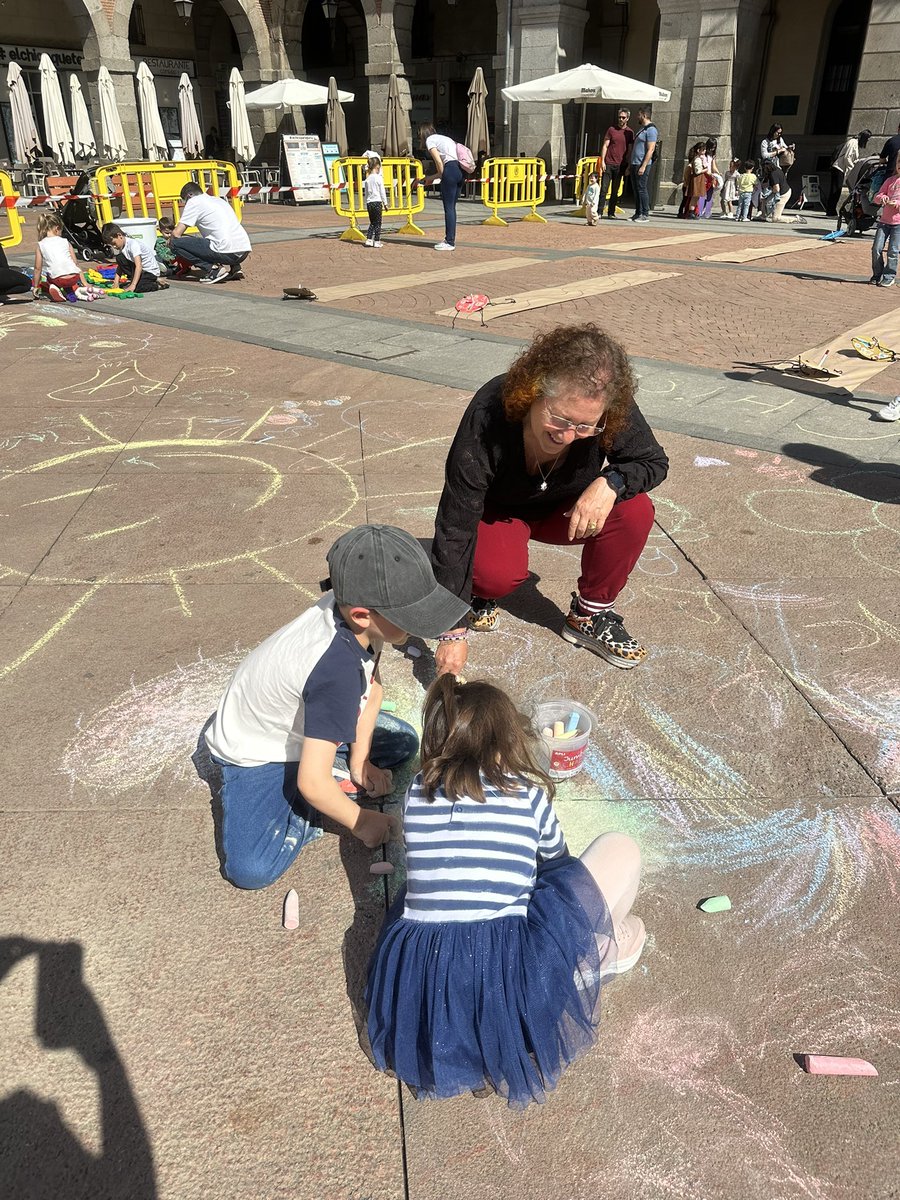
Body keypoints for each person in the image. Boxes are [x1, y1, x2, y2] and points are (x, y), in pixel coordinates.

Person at [365, 675, 644, 1107]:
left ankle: (569, 967)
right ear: (506, 741)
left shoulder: (416, 794)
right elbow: (562, 872)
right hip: (513, 992)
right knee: (619, 850)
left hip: (424, 988)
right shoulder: (529, 795)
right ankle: (594, 955)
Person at [204, 524, 470, 890]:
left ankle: (335, 768)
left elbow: (372, 692)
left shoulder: (353, 615)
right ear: (362, 614)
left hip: (300, 720)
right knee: (250, 869)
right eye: (411, 614)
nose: (420, 624)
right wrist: (361, 821)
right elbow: (313, 782)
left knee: (403, 742)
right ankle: (299, 803)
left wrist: (360, 763)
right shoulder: (336, 670)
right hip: (255, 751)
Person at [430, 324, 668, 674]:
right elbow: (456, 519)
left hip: (566, 509)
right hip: (499, 511)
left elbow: (653, 461)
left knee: (634, 508)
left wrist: (611, 481)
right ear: (534, 392)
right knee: (495, 577)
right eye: (561, 419)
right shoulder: (489, 413)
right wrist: (451, 630)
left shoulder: (608, 404)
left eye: (587, 427)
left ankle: (589, 615)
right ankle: (479, 589)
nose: (570, 436)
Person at [169, 181, 251, 284]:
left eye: (184, 200)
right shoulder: (218, 200)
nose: (185, 204)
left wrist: (169, 240)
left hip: (226, 252)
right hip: (243, 251)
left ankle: (213, 270)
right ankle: (235, 267)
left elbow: (176, 234)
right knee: (218, 237)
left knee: (175, 243)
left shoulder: (194, 202)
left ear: (189, 195)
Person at [420, 123, 463, 251]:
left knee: (448, 208)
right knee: (452, 208)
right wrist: (432, 178)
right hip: (460, 170)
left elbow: (438, 161)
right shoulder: (445, 139)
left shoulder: (430, 140)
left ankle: (449, 242)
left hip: (449, 170)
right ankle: (450, 239)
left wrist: (439, 176)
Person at [33, 212, 86, 302]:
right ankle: (69, 293)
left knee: (49, 275)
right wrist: (85, 283)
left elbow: (38, 268)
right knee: (66, 273)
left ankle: (54, 287)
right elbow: (76, 263)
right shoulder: (65, 241)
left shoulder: (41, 245)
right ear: (57, 229)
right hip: (74, 277)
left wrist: (36, 286)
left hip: (58, 279)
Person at [101, 222, 166, 293]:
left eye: (114, 243)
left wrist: (133, 285)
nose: (114, 247)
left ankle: (158, 285)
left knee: (137, 288)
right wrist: (116, 282)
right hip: (142, 271)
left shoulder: (133, 245)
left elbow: (139, 266)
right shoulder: (122, 246)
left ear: (119, 235)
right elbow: (120, 266)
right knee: (120, 258)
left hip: (150, 271)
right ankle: (142, 281)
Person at [597, 108, 633, 219]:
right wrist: (602, 161)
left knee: (615, 191)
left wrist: (629, 166)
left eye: (623, 117)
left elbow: (630, 150)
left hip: (621, 164)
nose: (621, 119)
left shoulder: (629, 132)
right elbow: (605, 145)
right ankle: (599, 211)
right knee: (604, 189)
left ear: (627, 118)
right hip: (608, 163)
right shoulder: (611, 130)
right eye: (619, 117)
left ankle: (611, 212)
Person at [871, 155, 900, 288]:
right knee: (876, 248)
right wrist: (882, 198)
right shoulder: (890, 180)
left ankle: (889, 276)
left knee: (893, 251)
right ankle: (877, 274)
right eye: (899, 162)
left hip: (898, 224)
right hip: (884, 221)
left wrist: (897, 203)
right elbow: (877, 195)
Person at [829, 130, 872, 216]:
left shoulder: (854, 143)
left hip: (840, 168)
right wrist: (853, 169)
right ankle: (831, 211)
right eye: (867, 139)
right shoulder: (853, 142)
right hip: (839, 168)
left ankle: (831, 210)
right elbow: (847, 157)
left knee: (835, 190)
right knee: (835, 190)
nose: (867, 141)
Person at [628, 106, 658, 222]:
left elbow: (651, 149)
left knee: (642, 188)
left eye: (639, 115)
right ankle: (638, 212)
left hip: (642, 163)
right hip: (635, 162)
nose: (637, 117)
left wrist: (644, 165)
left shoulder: (651, 130)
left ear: (644, 115)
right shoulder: (642, 129)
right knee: (636, 189)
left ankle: (645, 213)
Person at [363, 153, 389, 248]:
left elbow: (366, 193)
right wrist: (385, 203)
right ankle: (377, 240)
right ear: (377, 166)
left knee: (372, 222)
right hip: (377, 202)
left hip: (369, 203)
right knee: (378, 223)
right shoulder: (379, 178)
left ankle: (369, 239)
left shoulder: (367, 179)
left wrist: (366, 202)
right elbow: (382, 192)